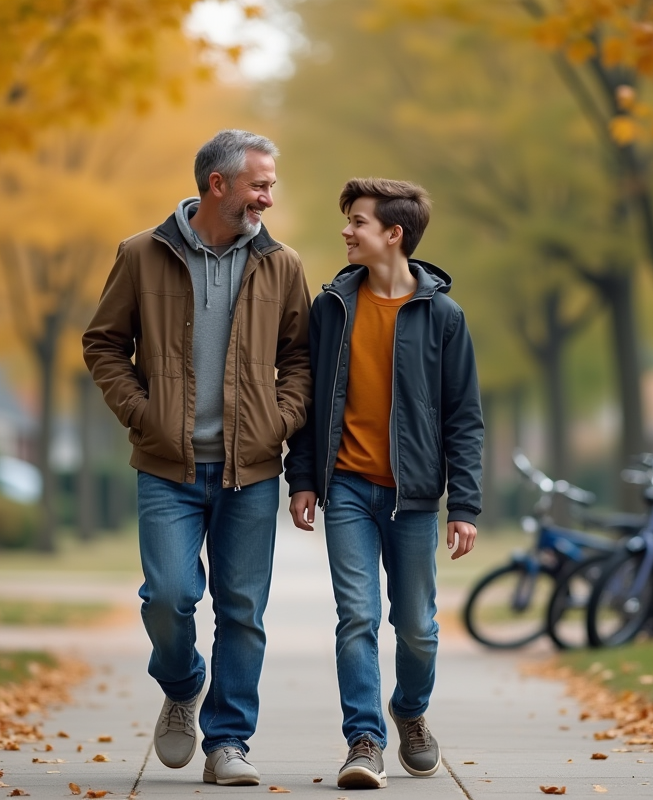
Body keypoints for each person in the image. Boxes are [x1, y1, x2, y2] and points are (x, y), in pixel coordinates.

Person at [83, 129, 312, 787]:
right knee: (170, 596)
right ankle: (182, 683)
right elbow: (103, 344)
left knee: (242, 609)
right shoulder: (140, 254)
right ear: (219, 185)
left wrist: (280, 419)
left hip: (251, 469)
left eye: (270, 184)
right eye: (260, 184)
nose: (268, 196)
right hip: (166, 466)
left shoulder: (282, 264)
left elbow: (300, 358)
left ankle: (228, 742)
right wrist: (144, 413)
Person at [285, 177, 483, 790]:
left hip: (415, 497)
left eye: (359, 222)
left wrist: (465, 503)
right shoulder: (332, 307)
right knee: (357, 617)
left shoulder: (443, 317)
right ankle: (364, 741)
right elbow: (312, 399)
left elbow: (463, 417)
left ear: (393, 234)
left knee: (418, 627)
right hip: (346, 487)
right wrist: (302, 477)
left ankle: (410, 711)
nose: (347, 230)